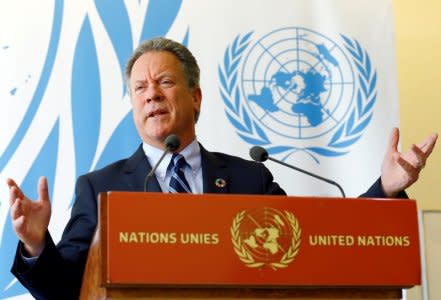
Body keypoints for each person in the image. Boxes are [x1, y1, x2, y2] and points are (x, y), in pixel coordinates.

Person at [7, 37, 437, 300]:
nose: (151, 94)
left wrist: (387, 187)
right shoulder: (99, 187)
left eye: (165, 82)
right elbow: (65, 291)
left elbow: (313, 248)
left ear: (195, 97)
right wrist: (36, 246)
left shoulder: (251, 177)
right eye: (139, 88)